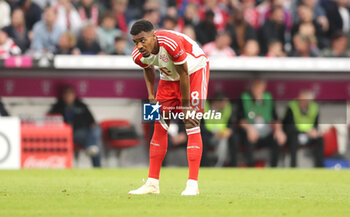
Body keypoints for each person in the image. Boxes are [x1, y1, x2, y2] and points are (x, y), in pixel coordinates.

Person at [128, 20, 209, 195]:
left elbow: (184, 73)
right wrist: (151, 95)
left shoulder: (170, 43)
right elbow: (148, 68)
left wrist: (186, 106)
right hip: (168, 76)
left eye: (142, 40)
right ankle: (152, 183)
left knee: (191, 123)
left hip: (193, 71)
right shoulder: (137, 55)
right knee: (159, 126)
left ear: (154, 36)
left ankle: (192, 185)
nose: (139, 45)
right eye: (135, 42)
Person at [236, 78, 286, 167]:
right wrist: (249, 129)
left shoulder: (268, 97)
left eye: (260, 88)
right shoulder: (245, 97)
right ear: (252, 87)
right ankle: (251, 168)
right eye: (256, 87)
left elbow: (275, 119)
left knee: (278, 139)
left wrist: (279, 131)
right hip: (251, 131)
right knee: (248, 138)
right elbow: (240, 119)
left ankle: (274, 168)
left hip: (266, 131)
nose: (258, 90)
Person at [48, 85, 102, 167]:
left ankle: (91, 148)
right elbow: (50, 121)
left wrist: (93, 126)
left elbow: (92, 122)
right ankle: (92, 148)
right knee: (94, 144)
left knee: (96, 132)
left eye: (70, 94)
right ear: (63, 95)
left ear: (74, 95)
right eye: (66, 94)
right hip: (68, 134)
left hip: (85, 133)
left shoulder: (81, 106)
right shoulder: (58, 107)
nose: (68, 96)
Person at [283, 90, 324, 167]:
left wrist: (314, 131)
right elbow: (287, 126)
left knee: (320, 139)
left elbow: (315, 124)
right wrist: (304, 132)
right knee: (293, 139)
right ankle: (293, 167)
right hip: (295, 134)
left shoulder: (314, 107)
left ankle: (319, 167)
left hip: (309, 136)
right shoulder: (292, 106)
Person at [201, 92, 234, 167]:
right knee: (202, 140)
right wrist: (213, 134)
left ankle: (224, 164)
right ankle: (204, 165)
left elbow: (230, 123)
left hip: (221, 135)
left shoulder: (226, 109)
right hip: (208, 134)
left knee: (232, 139)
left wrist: (229, 130)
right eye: (223, 103)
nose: (225, 105)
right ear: (216, 102)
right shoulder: (204, 107)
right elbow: (200, 126)